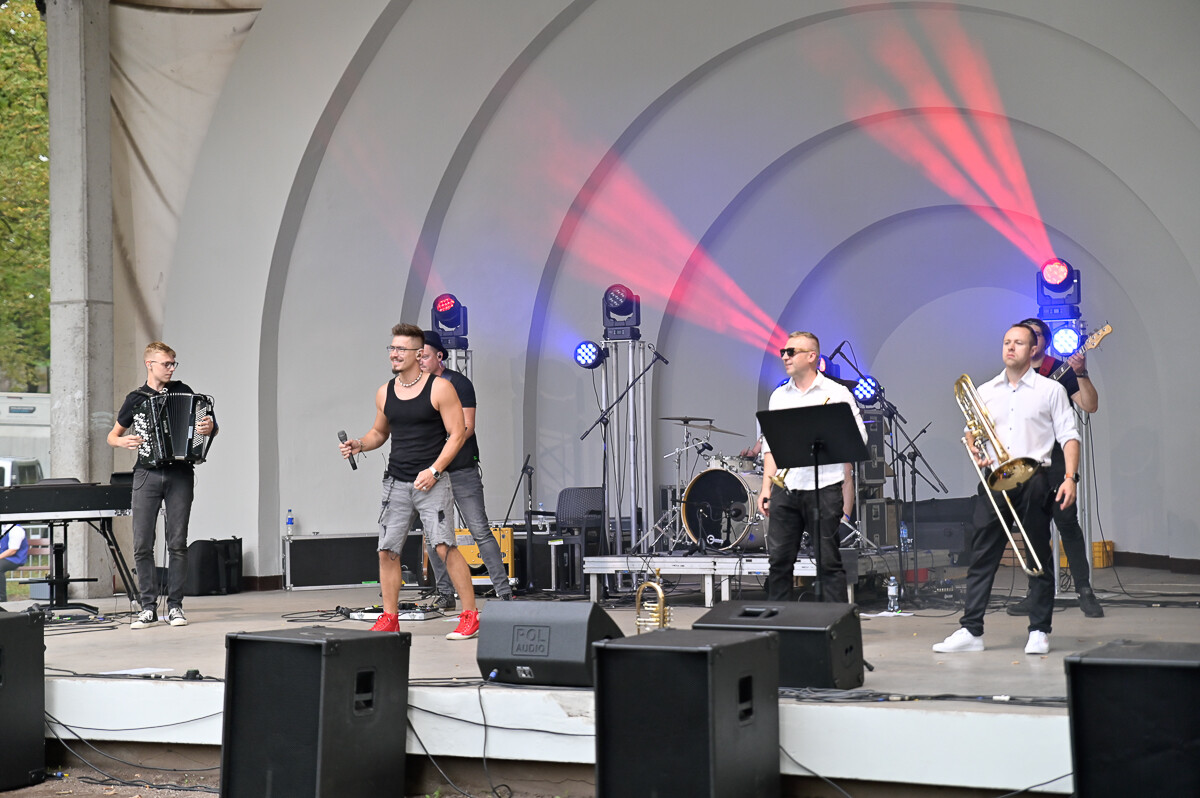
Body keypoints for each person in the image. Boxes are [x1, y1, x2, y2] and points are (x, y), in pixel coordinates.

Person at [933, 323, 1080, 655]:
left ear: (1033, 350)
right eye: (1006, 342)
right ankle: (971, 630)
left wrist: (1070, 477)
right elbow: (973, 430)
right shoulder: (985, 391)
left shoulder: (1050, 390)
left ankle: (1039, 630)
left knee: (1037, 552)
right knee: (982, 553)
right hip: (996, 478)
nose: (1010, 347)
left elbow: (1069, 436)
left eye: (1019, 343)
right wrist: (974, 446)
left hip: (1035, 477)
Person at [339, 322, 479, 640]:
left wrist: (435, 471)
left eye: (402, 349)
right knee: (387, 550)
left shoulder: (440, 388)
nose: (395, 353)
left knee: (444, 546)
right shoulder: (385, 392)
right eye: (392, 348)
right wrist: (359, 444)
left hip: (432, 481)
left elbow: (458, 434)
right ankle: (390, 618)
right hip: (396, 482)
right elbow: (380, 432)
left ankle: (470, 615)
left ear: (419, 353)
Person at [107, 342, 217, 629]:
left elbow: (209, 426)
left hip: (180, 473)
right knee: (142, 543)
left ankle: (176, 606)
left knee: (177, 542)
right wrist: (124, 441)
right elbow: (112, 436)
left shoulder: (184, 391)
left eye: (173, 364)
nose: (171, 369)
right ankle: (147, 607)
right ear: (150, 364)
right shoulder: (136, 399)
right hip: (147, 474)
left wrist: (209, 428)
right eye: (166, 364)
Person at [757, 331, 866, 602]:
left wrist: (827, 434)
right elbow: (771, 447)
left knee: (828, 562)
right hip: (787, 488)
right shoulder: (778, 397)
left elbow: (859, 437)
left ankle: (835, 621)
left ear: (811, 356)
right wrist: (766, 488)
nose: (785, 356)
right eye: (783, 352)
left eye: (791, 352)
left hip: (825, 487)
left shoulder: (836, 393)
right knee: (779, 562)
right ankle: (779, 621)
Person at [1007, 317, 1102, 617]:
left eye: (1033, 335)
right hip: (1025, 461)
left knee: (1066, 522)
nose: (1026, 339)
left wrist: (1081, 373)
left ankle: (1084, 590)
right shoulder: (1012, 376)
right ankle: (1037, 592)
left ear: (1043, 342)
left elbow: (1089, 405)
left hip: (1058, 459)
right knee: (1032, 528)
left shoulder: (1059, 370)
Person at [417, 330, 513, 606]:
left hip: (460, 469)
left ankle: (504, 591)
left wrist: (439, 448)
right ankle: (445, 594)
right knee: (433, 536)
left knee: (479, 530)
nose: (420, 361)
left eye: (425, 356)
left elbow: (467, 427)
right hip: (433, 472)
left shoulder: (458, 383)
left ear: (439, 356)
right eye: (417, 356)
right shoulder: (417, 387)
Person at [1, 523, 30, 602]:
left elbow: (12, 550)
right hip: (5, 557)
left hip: (15, 559)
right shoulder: (4, 527)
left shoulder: (16, 530)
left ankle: (1, 598)